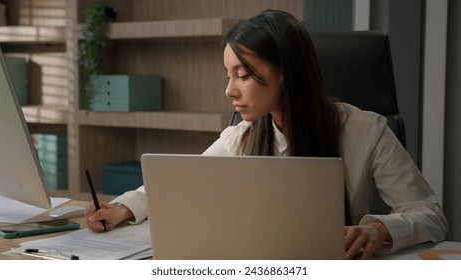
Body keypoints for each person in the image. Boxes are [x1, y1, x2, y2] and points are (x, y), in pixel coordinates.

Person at [85, 9, 448, 259]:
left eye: (243, 75)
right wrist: (122, 208)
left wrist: (379, 231)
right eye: (228, 75)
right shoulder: (241, 137)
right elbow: (177, 184)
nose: (229, 91)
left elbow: (430, 214)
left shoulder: (366, 130)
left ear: (285, 73)